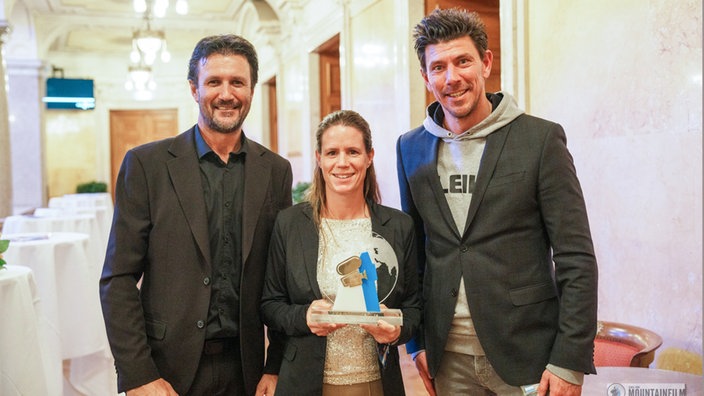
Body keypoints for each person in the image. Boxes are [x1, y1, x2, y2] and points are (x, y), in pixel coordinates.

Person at [396, 8, 598, 396]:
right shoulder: (410, 147)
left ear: (486, 63)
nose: (452, 77)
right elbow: (415, 255)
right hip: (448, 356)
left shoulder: (540, 140)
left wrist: (569, 361)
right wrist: (417, 342)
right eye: (438, 67)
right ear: (425, 77)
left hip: (528, 354)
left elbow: (576, 257)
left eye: (463, 61)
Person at [99, 34, 292, 396]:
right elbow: (118, 279)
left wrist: (276, 364)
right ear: (193, 88)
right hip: (166, 370)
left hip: (247, 369)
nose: (226, 93)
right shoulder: (146, 165)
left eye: (237, 82)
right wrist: (138, 374)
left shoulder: (276, 171)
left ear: (251, 90)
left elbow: (282, 279)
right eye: (213, 82)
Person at [261, 110, 421, 396]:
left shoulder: (399, 226)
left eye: (353, 152)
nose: (343, 162)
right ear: (318, 158)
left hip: (378, 384)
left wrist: (397, 330)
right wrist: (304, 317)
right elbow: (271, 304)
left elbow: (414, 308)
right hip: (305, 383)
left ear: (369, 156)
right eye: (332, 152)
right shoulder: (289, 224)